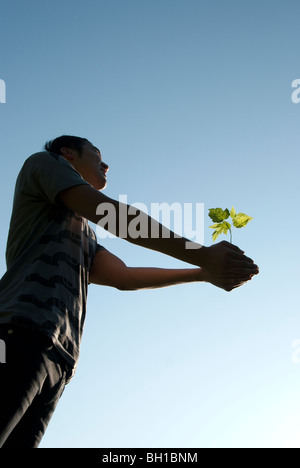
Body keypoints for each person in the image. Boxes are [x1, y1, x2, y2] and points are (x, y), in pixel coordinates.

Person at [0, 135, 259, 447]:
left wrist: (203, 273)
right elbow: (113, 216)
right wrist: (202, 254)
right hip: (18, 332)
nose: (106, 163)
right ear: (67, 153)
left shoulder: (81, 230)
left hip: (60, 358)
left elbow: (122, 276)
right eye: (96, 153)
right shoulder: (43, 163)